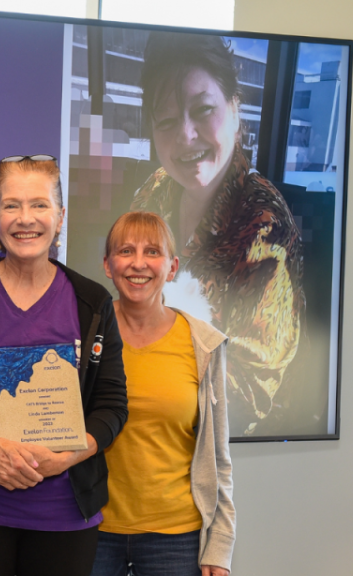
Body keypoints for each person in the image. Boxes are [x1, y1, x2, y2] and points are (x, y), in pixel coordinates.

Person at [0, 155, 128, 576]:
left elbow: (112, 407)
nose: (25, 219)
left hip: (64, 516)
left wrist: (66, 458)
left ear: (60, 216)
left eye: (40, 204)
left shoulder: (92, 304)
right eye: (11, 205)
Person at [131, 31, 304, 435]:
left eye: (203, 109)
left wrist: (137, 377)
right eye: (168, 121)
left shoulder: (265, 225)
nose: (185, 136)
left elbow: (251, 392)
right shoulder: (155, 189)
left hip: (225, 448)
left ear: (235, 108)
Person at [91, 210, 235, 576]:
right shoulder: (83, 336)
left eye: (152, 252)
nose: (138, 263)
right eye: (126, 251)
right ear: (108, 265)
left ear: (171, 268)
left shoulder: (202, 343)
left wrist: (219, 547)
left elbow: (218, 456)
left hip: (176, 537)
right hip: (90, 528)